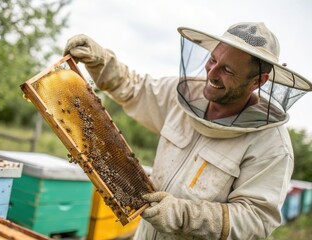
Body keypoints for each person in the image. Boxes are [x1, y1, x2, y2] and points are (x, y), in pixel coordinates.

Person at [64, 22, 312, 239]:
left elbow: (256, 220)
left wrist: (182, 215)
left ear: (258, 81)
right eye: (213, 60)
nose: (212, 73)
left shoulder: (271, 147)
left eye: (227, 70)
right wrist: (102, 62)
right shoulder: (181, 96)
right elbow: (136, 89)